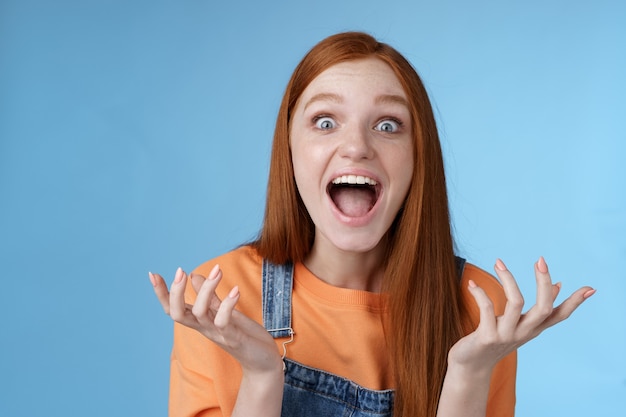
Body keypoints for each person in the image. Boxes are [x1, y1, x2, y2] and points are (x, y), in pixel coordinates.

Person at [149, 32, 595, 417]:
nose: (356, 147)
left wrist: (469, 372)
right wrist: (263, 377)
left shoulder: (481, 310)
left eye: (387, 124)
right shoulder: (217, 299)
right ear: (289, 152)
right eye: (325, 122)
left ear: (419, 156)